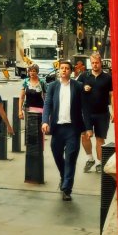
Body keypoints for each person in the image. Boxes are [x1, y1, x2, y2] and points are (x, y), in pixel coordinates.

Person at [42, 59, 87, 200]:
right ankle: (63, 175)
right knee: (56, 154)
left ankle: (67, 188)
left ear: (71, 71)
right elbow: (48, 104)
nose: (64, 70)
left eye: (67, 68)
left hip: (73, 128)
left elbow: (85, 108)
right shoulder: (53, 86)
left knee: (71, 158)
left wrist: (87, 128)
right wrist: (44, 121)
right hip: (57, 128)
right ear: (59, 70)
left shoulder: (78, 86)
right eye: (62, 68)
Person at [78, 52, 113, 172]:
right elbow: (75, 89)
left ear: (101, 63)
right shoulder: (84, 76)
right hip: (86, 112)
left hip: (102, 113)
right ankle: (90, 158)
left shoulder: (108, 77)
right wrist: (83, 88)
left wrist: (113, 111)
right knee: (85, 136)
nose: (94, 65)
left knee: (100, 139)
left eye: (96, 63)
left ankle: (99, 162)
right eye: (92, 63)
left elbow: (112, 95)